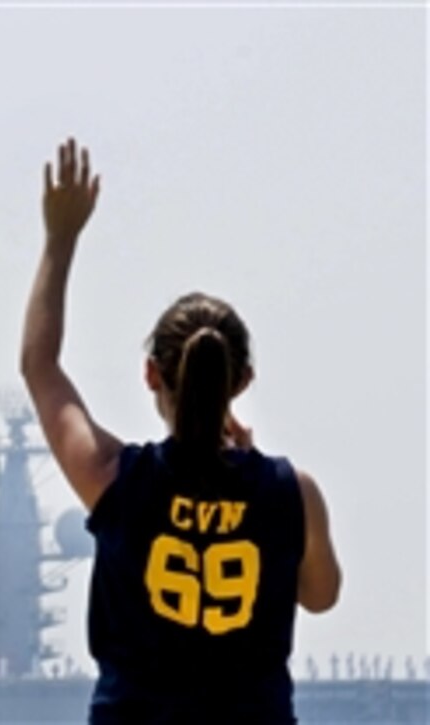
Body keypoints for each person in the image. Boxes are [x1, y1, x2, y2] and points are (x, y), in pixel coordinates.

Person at [20, 138, 341, 724]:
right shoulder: (293, 492)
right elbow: (320, 596)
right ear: (242, 381)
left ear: (150, 374)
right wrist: (255, 469)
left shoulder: (113, 479)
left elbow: (39, 365)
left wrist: (60, 237)